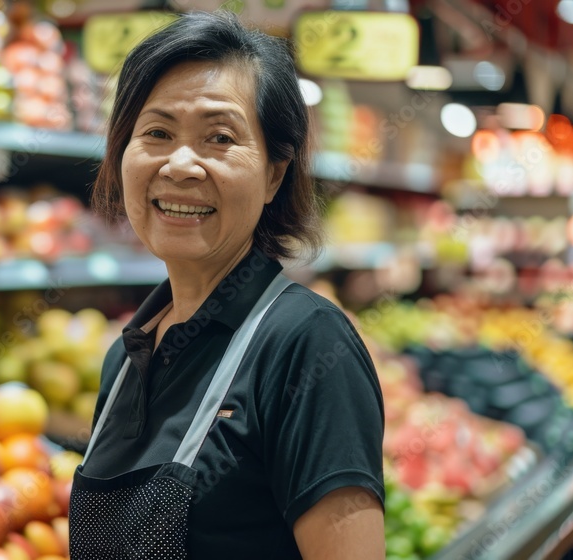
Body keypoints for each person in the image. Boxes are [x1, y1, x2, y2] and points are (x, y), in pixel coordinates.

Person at [68, 10, 386, 560]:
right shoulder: (126, 359)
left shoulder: (307, 346)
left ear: (273, 173)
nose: (181, 164)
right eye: (157, 133)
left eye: (220, 137)